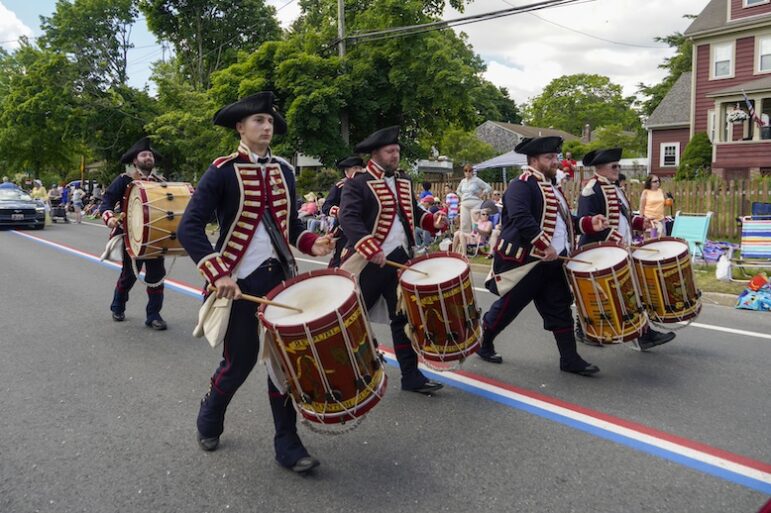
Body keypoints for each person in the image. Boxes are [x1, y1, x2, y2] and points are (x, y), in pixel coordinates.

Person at [177, 91, 333, 473]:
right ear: (240, 127)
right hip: (238, 283)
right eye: (259, 121)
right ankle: (211, 414)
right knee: (240, 362)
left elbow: (292, 227)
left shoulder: (284, 171)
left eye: (270, 122)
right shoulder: (222, 171)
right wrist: (219, 273)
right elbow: (189, 228)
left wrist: (315, 242)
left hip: (280, 281)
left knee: (284, 364)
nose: (267, 127)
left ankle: (287, 444)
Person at [476, 136, 606, 376]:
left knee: (560, 307)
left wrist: (589, 223)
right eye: (549, 157)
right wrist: (544, 245)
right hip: (527, 261)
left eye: (555, 156)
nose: (555, 161)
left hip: (554, 262)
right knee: (508, 307)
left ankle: (569, 358)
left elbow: (564, 222)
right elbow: (520, 218)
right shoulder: (521, 185)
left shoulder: (552, 189)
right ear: (534, 160)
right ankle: (484, 341)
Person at [339, 126, 446, 394]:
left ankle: (411, 376)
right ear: (375, 154)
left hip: (400, 259)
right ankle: (350, 372)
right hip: (369, 263)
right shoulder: (358, 183)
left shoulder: (403, 181)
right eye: (390, 151)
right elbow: (348, 218)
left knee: (403, 320)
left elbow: (411, 212)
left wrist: (432, 220)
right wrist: (368, 246)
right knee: (351, 319)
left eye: (397, 150)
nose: (395, 155)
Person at [576, 148, 675, 350]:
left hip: (619, 251)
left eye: (618, 165)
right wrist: (616, 242)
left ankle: (643, 334)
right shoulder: (591, 189)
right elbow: (588, 224)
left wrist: (640, 222)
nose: (617, 169)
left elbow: (623, 217)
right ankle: (583, 329)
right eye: (614, 166)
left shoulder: (615, 188)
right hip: (600, 252)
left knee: (631, 292)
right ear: (601, 168)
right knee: (596, 294)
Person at [98, 137, 168, 329]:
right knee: (129, 274)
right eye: (144, 155)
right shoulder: (124, 180)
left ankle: (153, 315)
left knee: (157, 276)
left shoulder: (160, 182)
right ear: (135, 160)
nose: (148, 157)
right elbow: (106, 203)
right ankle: (117, 306)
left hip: (155, 236)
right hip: (131, 236)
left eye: (150, 155)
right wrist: (110, 218)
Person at [322, 155, 364, 267]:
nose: (359, 172)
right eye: (355, 169)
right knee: (340, 260)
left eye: (360, 168)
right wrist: (341, 212)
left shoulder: (368, 186)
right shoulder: (340, 186)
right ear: (347, 172)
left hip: (364, 229)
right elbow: (326, 206)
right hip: (344, 229)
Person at [456, 164, 492, 234]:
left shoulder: (477, 180)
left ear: (472, 172)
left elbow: (489, 188)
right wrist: (462, 196)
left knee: (475, 223)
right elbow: (458, 191)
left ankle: (477, 241)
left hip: (475, 203)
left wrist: (482, 194)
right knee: (464, 223)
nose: (468, 172)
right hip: (464, 204)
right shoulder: (463, 181)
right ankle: (466, 241)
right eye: (466, 171)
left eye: (469, 171)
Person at [639, 174, 666, 238]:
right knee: (651, 240)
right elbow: (641, 206)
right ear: (649, 183)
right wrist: (642, 220)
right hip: (650, 220)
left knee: (662, 239)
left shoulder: (660, 191)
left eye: (658, 181)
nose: (658, 182)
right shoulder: (645, 192)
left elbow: (661, 203)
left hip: (661, 219)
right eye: (655, 181)